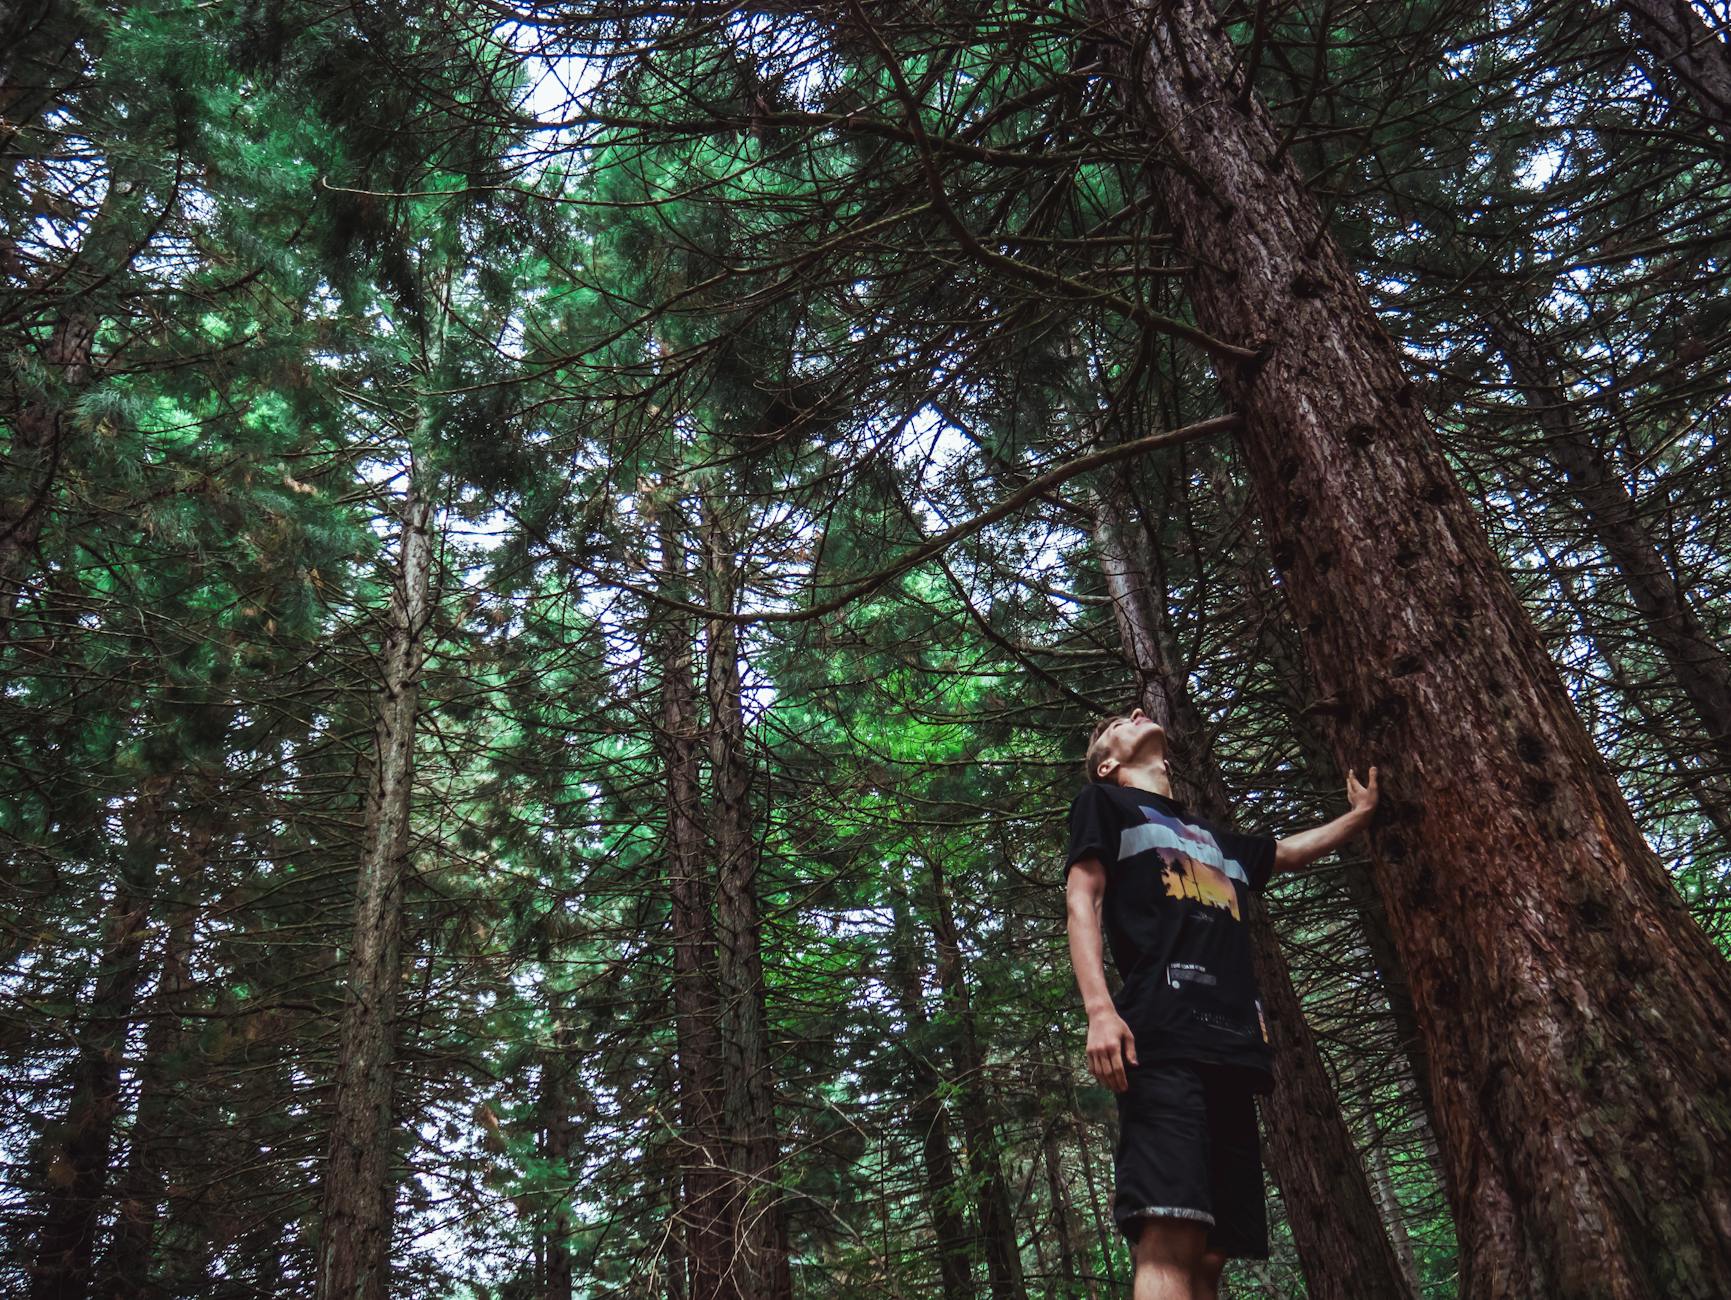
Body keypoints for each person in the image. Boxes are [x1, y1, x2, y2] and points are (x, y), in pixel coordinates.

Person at [1064, 707, 1379, 1299]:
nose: (1135, 712)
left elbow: (1285, 853)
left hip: (1233, 1051)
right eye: (1116, 724)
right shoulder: (1103, 805)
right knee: (1169, 1239)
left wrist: (1360, 818)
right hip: (1160, 1039)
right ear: (1107, 765)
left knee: (1211, 1257)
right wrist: (1100, 1010)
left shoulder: (1209, 837)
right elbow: (1084, 900)